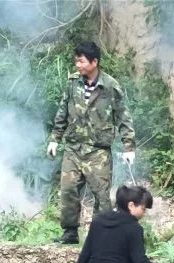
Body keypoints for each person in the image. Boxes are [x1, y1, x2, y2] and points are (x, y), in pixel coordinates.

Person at [47, 41, 136, 245]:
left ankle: (100, 237)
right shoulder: (72, 83)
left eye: (81, 61)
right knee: (68, 190)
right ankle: (69, 233)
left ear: (94, 62)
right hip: (73, 148)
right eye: (76, 61)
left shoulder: (110, 86)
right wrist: (55, 139)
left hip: (98, 151)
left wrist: (129, 146)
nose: (77, 65)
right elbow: (62, 112)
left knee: (102, 198)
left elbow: (123, 117)